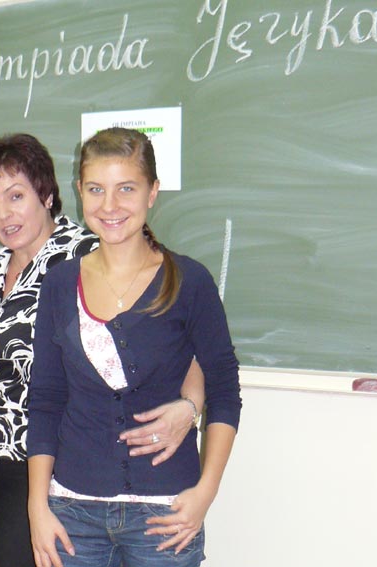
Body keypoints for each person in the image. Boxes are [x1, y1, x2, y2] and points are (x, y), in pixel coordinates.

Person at [0, 133, 205, 567]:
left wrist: (189, 408)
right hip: (0, 463)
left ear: (47, 193)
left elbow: (183, 348)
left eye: (16, 196)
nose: (4, 214)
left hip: (65, 463)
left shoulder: (87, 253)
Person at [26, 127, 242, 567]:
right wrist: (37, 507)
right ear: (80, 192)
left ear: (152, 192)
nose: (110, 205)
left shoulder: (189, 281)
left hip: (166, 512)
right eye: (96, 189)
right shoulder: (60, 283)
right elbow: (46, 399)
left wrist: (206, 492)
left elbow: (224, 391)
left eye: (126, 188)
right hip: (72, 512)